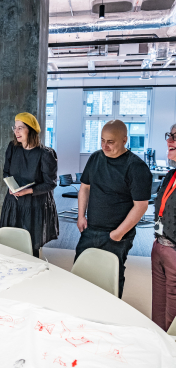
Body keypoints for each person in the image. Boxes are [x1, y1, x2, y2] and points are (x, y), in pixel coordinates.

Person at [75, 119, 152, 298]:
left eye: (110, 142)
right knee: (82, 274)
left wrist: (118, 233)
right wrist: (81, 216)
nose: (105, 146)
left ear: (125, 140)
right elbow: (85, 188)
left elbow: (141, 206)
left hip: (117, 234)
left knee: (110, 278)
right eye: (102, 140)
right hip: (90, 228)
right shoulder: (95, 158)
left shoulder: (136, 167)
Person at [0, 112, 59, 258]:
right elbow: (6, 172)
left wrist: (28, 191)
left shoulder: (46, 154)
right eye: (15, 127)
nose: (16, 131)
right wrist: (10, 185)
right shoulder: (13, 148)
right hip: (14, 202)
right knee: (12, 243)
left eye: (21, 128)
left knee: (30, 246)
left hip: (35, 204)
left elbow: (50, 184)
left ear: (31, 130)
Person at [152, 123, 176, 332]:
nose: (169, 141)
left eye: (175, 137)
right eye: (169, 135)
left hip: (175, 251)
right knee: (158, 305)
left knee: (173, 310)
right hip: (160, 244)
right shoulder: (171, 175)